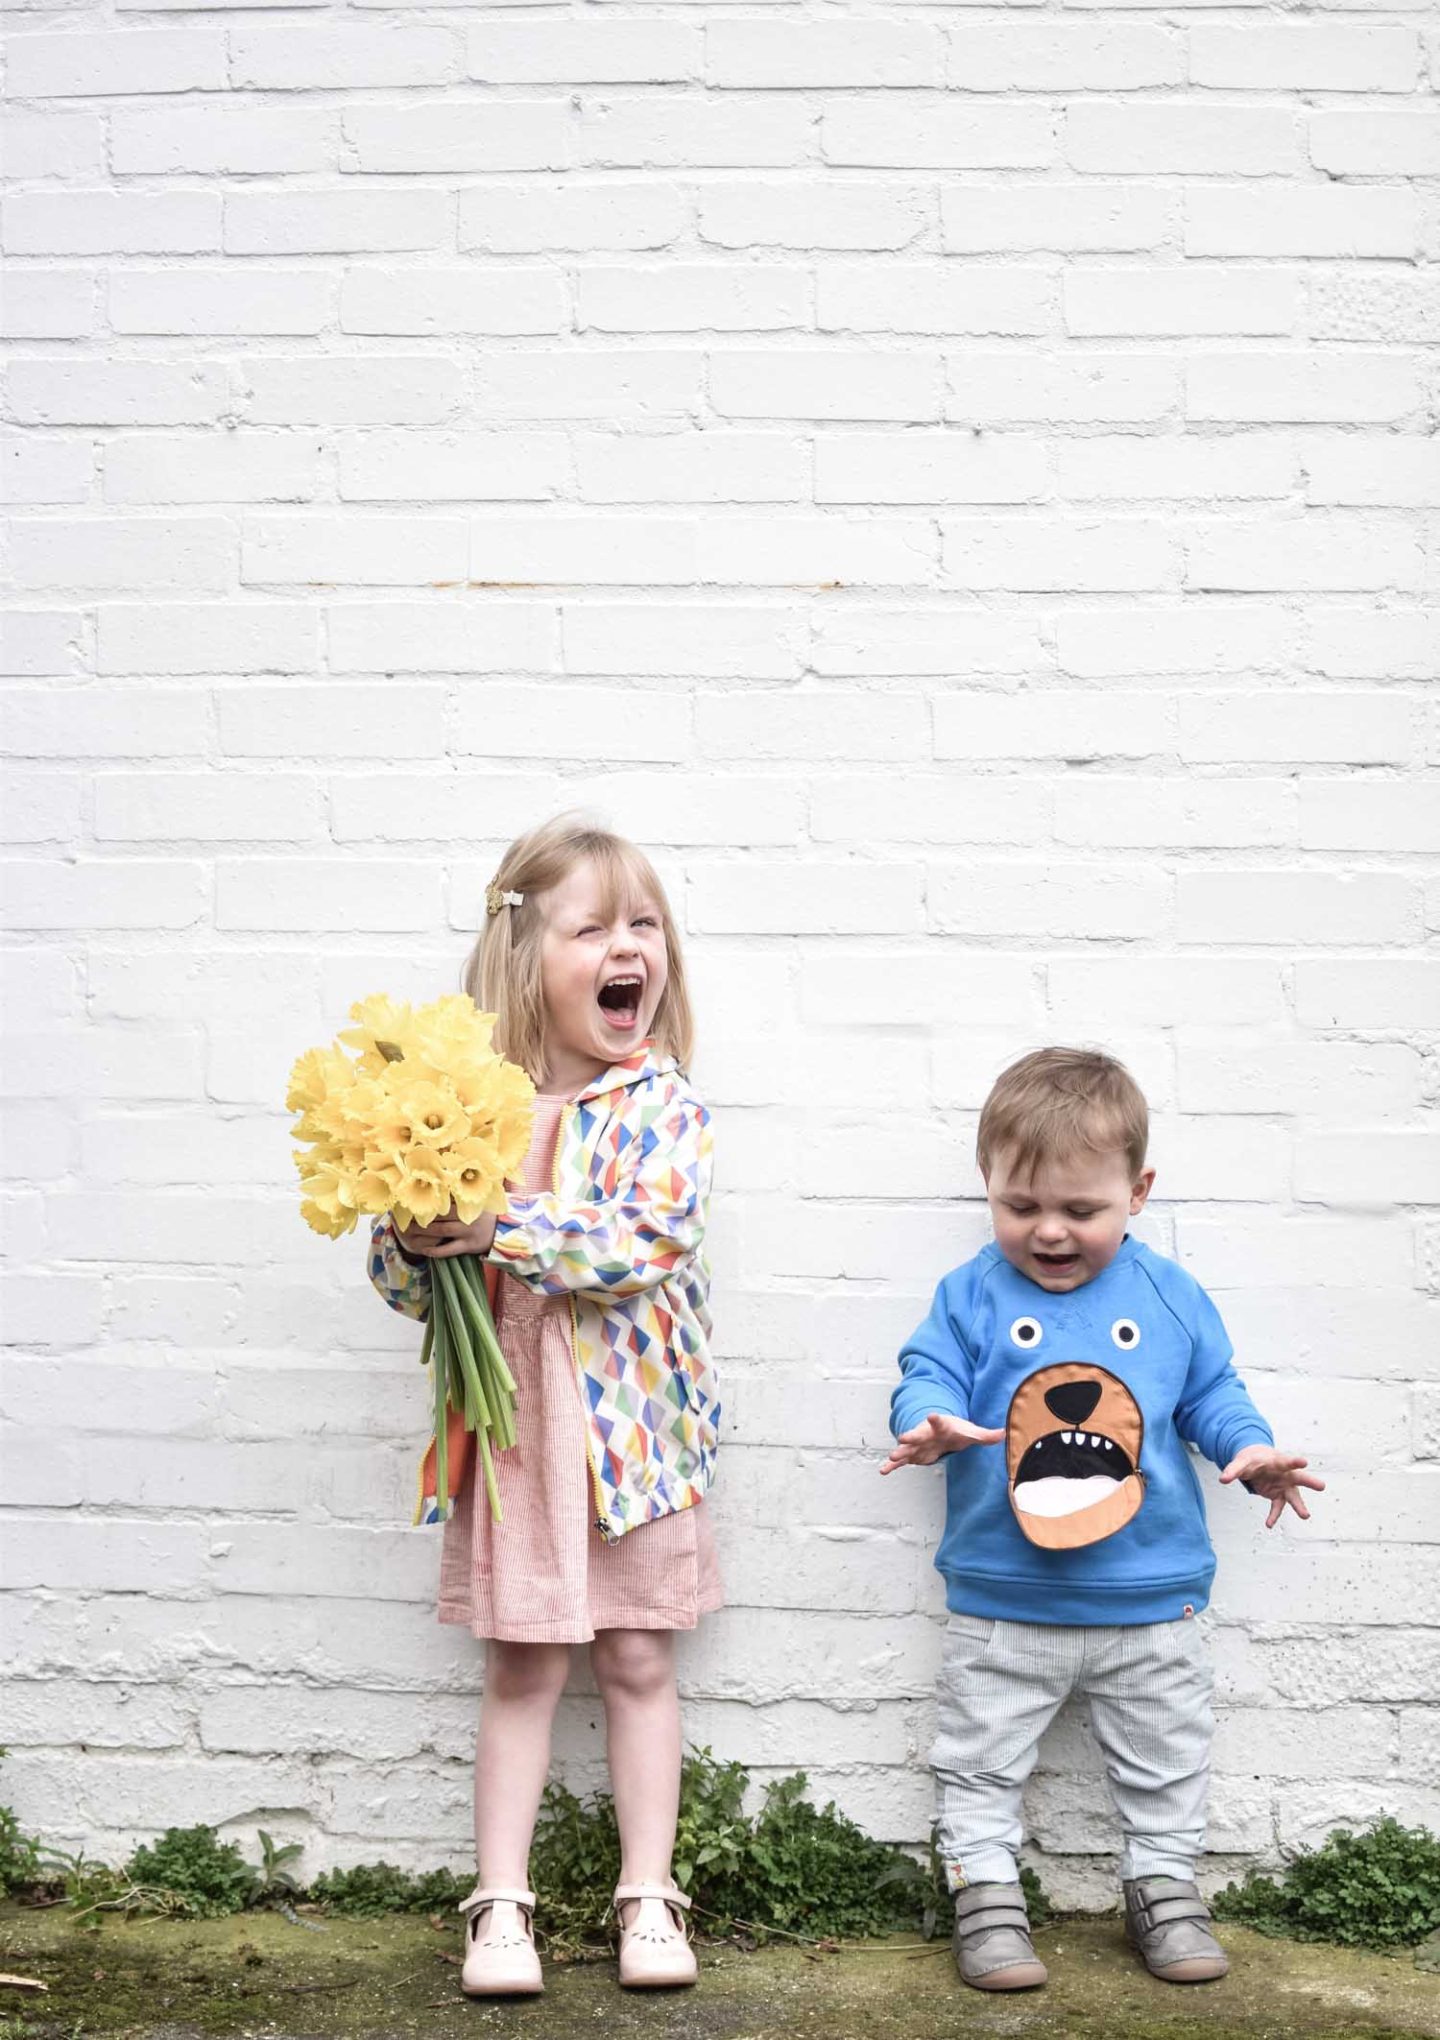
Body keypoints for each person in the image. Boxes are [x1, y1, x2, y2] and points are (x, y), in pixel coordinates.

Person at [368, 815, 721, 1996]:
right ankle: (500, 1905)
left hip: (634, 1441)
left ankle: (648, 1895)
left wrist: (499, 1225)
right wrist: (417, 1242)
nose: (631, 946)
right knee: (521, 1668)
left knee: (634, 1657)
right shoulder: (474, 1108)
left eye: (645, 923)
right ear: (527, 961)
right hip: (521, 1439)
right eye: (595, 928)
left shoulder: (661, 1105)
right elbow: (403, 1285)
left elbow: (644, 1240)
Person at [883, 1047, 1322, 1993]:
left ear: (1139, 1190)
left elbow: (1212, 1393)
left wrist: (1248, 1455)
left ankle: (1164, 1888)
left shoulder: (1169, 1296)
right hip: (1005, 1600)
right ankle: (987, 1896)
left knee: (1166, 1763)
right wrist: (925, 1420)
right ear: (987, 1186)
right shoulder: (969, 1296)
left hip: (1151, 1601)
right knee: (980, 1761)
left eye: (1080, 1211)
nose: (1049, 1232)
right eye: (1021, 1206)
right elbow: (926, 1374)